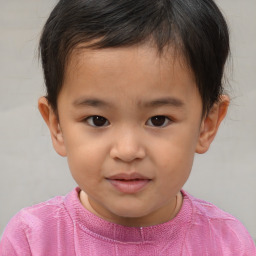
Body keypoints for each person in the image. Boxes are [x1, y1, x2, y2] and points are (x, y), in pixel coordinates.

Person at [0, 0, 255, 255]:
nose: (128, 150)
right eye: (98, 120)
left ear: (206, 125)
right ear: (57, 126)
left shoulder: (228, 245)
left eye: (158, 120)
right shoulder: (30, 241)